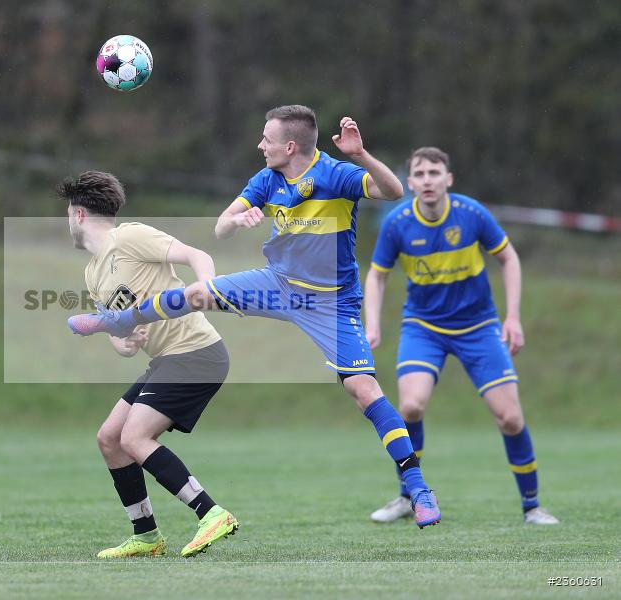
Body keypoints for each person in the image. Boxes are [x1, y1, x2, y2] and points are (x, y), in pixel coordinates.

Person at [70, 107, 441, 528]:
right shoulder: (266, 179)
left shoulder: (336, 174)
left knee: (363, 390)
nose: (259, 146)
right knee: (196, 292)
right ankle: (118, 321)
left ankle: (418, 487)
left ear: (290, 145)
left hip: (330, 303)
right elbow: (220, 228)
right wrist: (237, 219)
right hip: (275, 284)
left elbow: (393, 191)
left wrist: (362, 155)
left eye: (266, 139)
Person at [363, 146, 558, 525]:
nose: (427, 180)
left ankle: (532, 506)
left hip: (479, 327)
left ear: (448, 179)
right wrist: (372, 323)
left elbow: (509, 258)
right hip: (424, 327)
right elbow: (377, 274)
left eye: (434, 173)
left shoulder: (471, 214)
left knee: (510, 418)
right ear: (410, 182)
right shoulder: (398, 222)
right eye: (419, 174)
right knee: (411, 407)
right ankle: (409, 497)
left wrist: (513, 317)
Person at [59, 170, 238, 558]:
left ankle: (212, 514)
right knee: (110, 438)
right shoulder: (93, 273)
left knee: (134, 438)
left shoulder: (129, 237)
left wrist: (207, 285)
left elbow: (197, 255)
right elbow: (119, 337)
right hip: (165, 361)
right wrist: (126, 343)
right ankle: (146, 536)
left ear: (77, 215)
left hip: (196, 352)